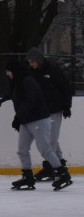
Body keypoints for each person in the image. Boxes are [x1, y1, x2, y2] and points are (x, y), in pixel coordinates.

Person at [0, 59, 71, 190]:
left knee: (45, 149)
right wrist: (6, 98)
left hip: (39, 120)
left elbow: (30, 100)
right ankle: (28, 177)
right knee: (22, 149)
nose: (7, 73)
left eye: (8, 71)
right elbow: (18, 95)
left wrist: (18, 117)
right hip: (27, 120)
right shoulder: (18, 82)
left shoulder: (28, 81)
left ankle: (63, 173)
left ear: (14, 71)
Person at [26, 47, 73, 181]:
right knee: (51, 140)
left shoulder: (53, 70)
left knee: (49, 141)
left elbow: (65, 87)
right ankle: (60, 164)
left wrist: (67, 106)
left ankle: (49, 168)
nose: (31, 65)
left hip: (54, 110)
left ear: (39, 60)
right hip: (41, 111)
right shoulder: (32, 73)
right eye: (29, 62)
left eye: (32, 62)